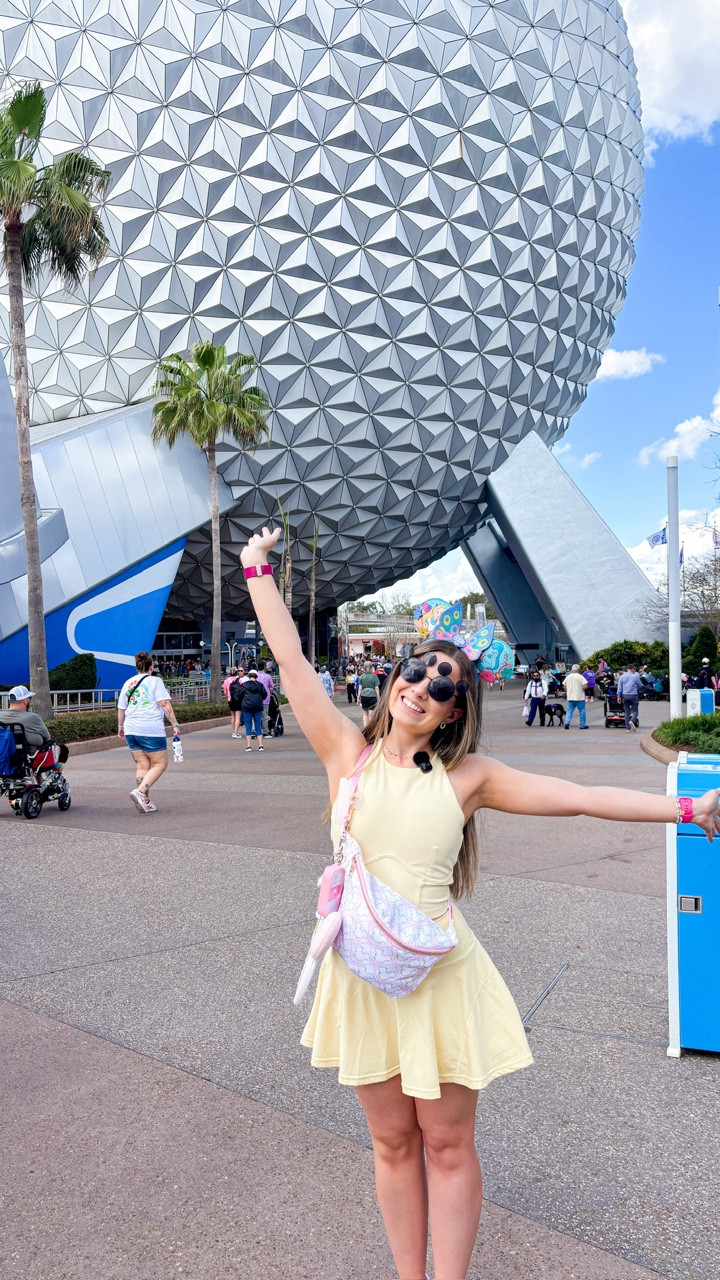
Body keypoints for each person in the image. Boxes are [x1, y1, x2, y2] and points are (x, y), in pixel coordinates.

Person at [239, 524, 720, 1280]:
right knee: (392, 1143)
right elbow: (293, 663)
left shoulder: (470, 778)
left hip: (438, 974)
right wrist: (255, 569)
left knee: (447, 1144)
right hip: (361, 971)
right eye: (416, 671)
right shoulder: (346, 754)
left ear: (455, 711)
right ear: (394, 677)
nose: (421, 688)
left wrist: (687, 811)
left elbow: (582, 796)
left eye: (442, 686)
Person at [117, 652, 180, 813]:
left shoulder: (128, 683)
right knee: (160, 764)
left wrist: (120, 727)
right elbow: (165, 704)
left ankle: (143, 800)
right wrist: (174, 723)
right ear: (151, 667)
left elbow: (121, 708)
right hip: (151, 728)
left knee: (142, 764)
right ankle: (140, 791)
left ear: (137, 666)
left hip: (131, 729)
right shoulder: (155, 681)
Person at [237, 670, 266, 751]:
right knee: (258, 725)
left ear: (249, 676)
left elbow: (239, 695)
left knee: (248, 726)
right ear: (256, 676)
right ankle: (260, 745)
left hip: (247, 707)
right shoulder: (260, 685)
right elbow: (265, 695)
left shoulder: (244, 685)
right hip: (257, 707)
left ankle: (249, 745)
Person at [616, 664, 643, 733]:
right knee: (635, 711)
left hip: (625, 695)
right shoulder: (635, 677)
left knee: (627, 712)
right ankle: (632, 721)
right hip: (633, 695)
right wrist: (636, 689)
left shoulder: (622, 677)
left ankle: (627, 729)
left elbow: (619, 688)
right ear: (632, 669)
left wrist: (619, 696)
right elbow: (640, 685)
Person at [563, 664, 588, 729]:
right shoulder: (580, 677)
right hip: (579, 697)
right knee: (582, 711)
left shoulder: (568, 677)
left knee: (569, 710)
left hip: (570, 697)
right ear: (578, 669)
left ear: (572, 669)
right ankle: (582, 725)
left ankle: (567, 723)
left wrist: (569, 690)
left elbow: (564, 687)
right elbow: (585, 686)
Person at [223, 666, 244, 738]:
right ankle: (236, 732)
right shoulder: (239, 680)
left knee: (232, 716)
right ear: (236, 673)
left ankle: (233, 731)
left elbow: (225, 693)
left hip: (230, 700)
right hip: (238, 700)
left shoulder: (226, 681)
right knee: (238, 717)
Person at [358, 660, 380, 727]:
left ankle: (365, 729)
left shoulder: (361, 676)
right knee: (371, 715)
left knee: (365, 714)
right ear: (371, 667)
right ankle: (371, 730)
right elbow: (376, 688)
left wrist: (358, 697)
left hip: (364, 696)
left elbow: (360, 688)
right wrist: (378, 698)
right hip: (372, 696)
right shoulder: (374, 676)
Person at [256, 659, 274, 737]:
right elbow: (271, 687)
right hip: (265, 698)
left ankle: (257, 731)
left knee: (256, 716)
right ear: (264, 667)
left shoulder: (255, 676)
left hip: (256, 698)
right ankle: (266, 732)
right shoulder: (268, 676)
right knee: (265, 716)